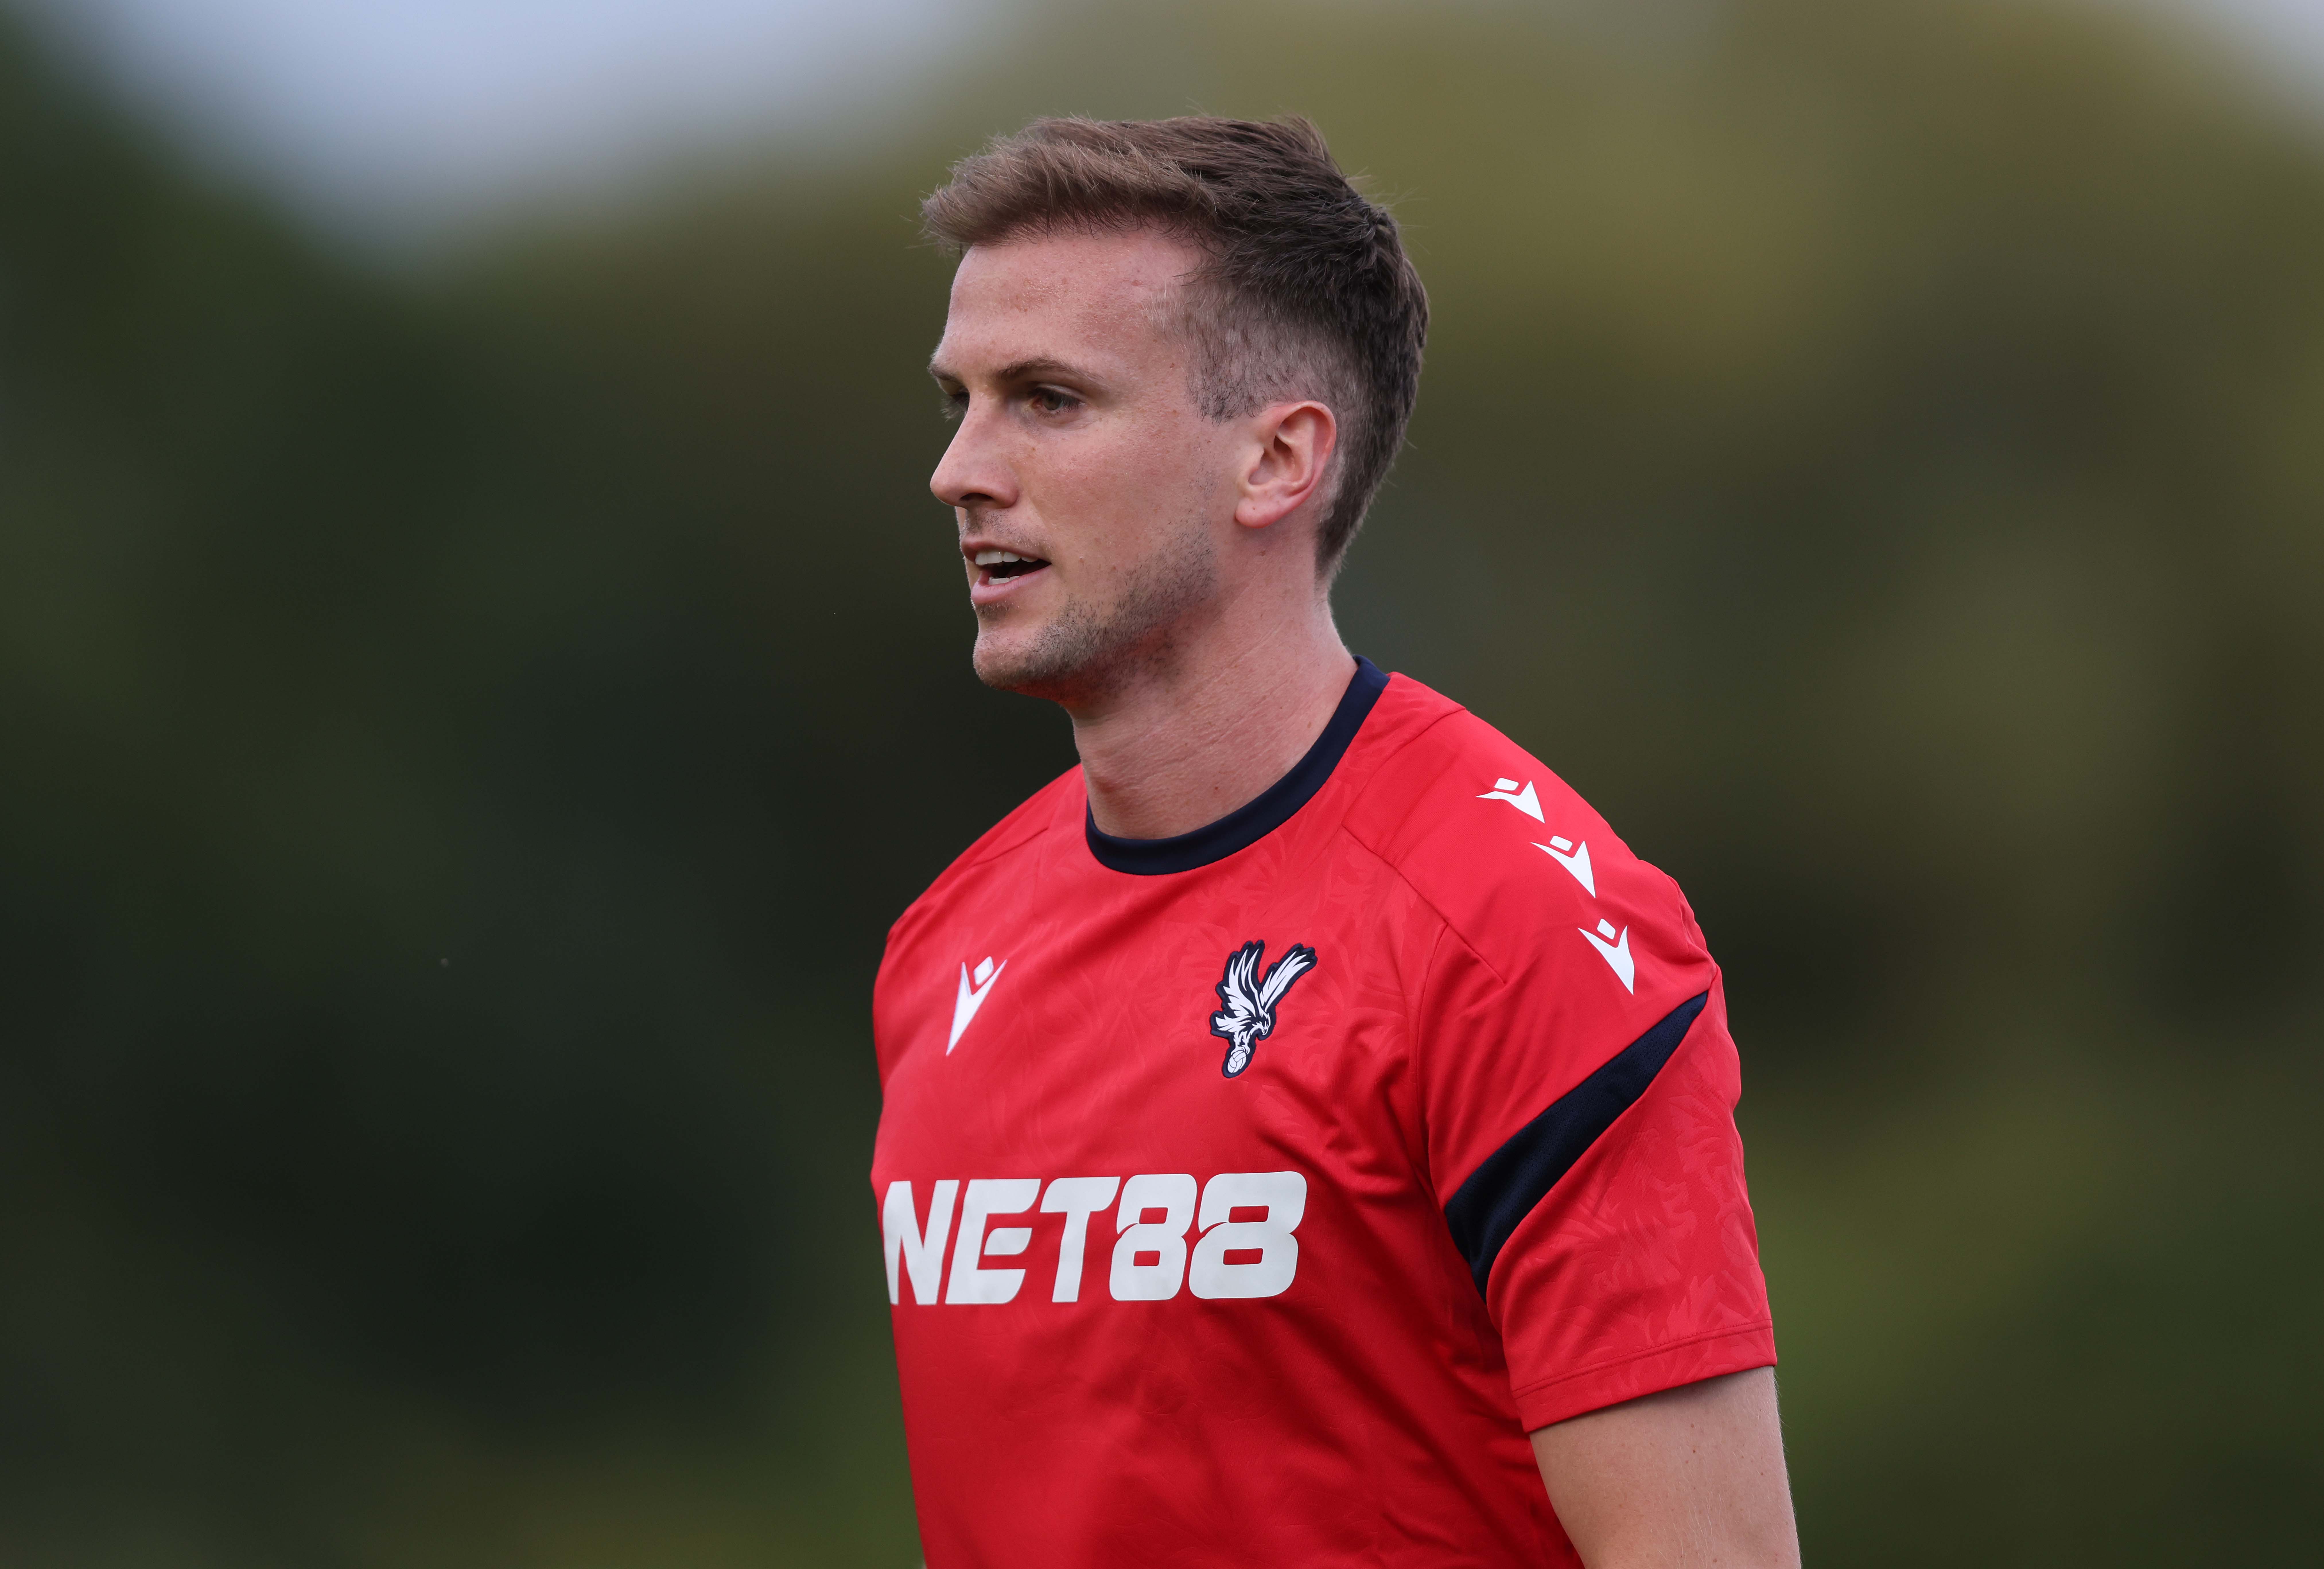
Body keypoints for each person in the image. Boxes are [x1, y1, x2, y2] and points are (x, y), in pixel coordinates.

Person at [870, 114, 1798, 1568]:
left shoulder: (1516, 927)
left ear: (1278, 461)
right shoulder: (946, 946)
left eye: (1048, 401)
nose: (963, 471)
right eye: (960, 403)